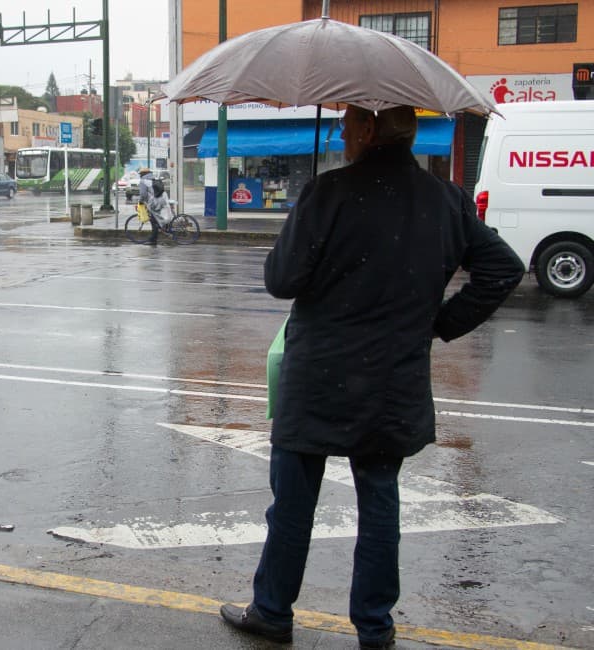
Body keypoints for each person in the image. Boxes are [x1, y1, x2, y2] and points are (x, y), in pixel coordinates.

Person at [219, 105, 524, 650]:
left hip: (317, 378)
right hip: (392, 383)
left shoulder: (329, 191)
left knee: (292, 504)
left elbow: (281, 281)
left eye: (346, 122)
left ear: (367, 129)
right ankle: (375, 628)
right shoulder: (446, 198)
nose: (339, 130)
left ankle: (272, 611)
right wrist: (438, 325)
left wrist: (296, 227)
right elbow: (503, 268)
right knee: (380, 503)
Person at [135, 167, 160, 245]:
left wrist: (141, 201)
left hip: (152, 202)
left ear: (143, 174)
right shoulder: (154, 179)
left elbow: (143, 194)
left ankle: (153, 240)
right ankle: (154, 239)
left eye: (141, 174)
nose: (140, 175)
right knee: (155, 220)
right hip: (159, 200)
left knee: (153, 221)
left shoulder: (143, 181)